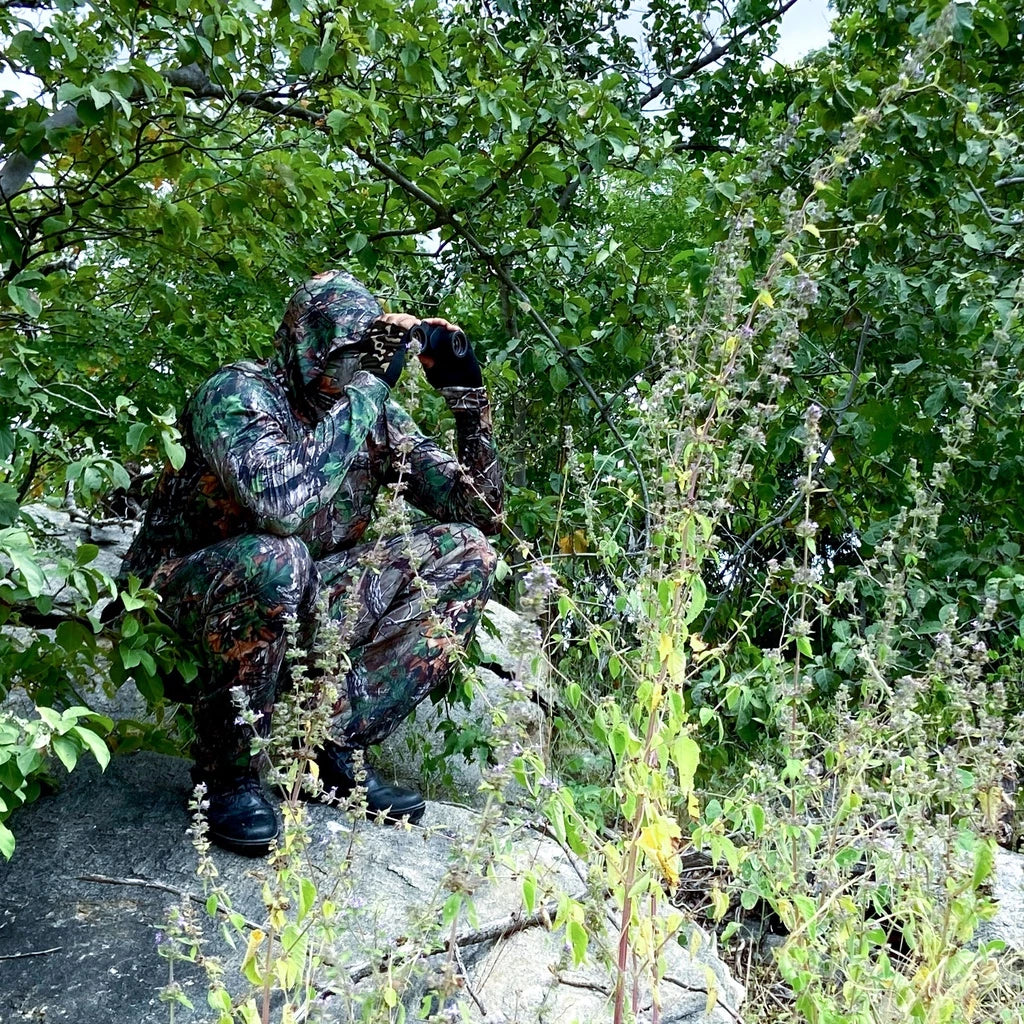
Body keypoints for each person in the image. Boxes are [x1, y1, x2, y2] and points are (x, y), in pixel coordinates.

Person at [117, 270, 503, 855]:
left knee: (465, 552)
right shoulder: (238, 394)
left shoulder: (368, 412)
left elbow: (479, 513)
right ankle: (228, 772)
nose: (347, 371)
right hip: (174, 612)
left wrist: (468, 402)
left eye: (362, 356)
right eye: (341, 353)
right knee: (281, 558)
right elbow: (282, 506)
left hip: (292, 601)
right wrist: (370, 387)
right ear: (305, 343)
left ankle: (325, 751)